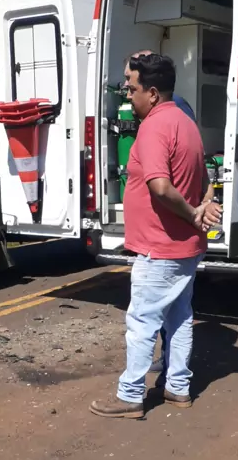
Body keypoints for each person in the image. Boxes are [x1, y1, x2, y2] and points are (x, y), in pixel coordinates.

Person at [90, 53, 221, 418]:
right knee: (178, 317)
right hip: (183, 247)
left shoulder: (154, 127)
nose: (127, 95)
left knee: (142, 321)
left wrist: (193, 214)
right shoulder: (185, 123)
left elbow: (160, 186)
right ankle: (177, 387)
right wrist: (200, 209)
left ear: (151, 92)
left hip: (161, 248)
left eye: (131, 88)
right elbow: (207, 181)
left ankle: (130, 395)